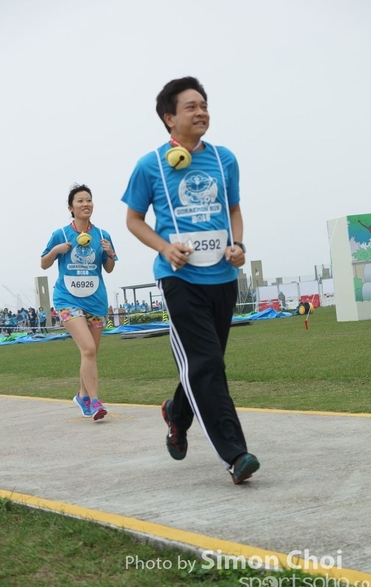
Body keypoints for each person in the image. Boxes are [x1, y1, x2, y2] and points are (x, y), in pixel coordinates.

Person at [122, 76, 260, 484]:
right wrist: (165, 248)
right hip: (179, 280)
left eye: (204, 105)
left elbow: (233, 209)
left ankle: (177, 413)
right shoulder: (149, 165)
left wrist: (238, 245)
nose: (201, 112)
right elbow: (133, 220)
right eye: (191, 107)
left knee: (207, 362)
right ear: (169, 118)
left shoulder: (224, 159)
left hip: (223, 278)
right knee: (206, 363)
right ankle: (235, 455)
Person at [41, 183, 117, 421]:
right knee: (88, 349)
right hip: (67, 299)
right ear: (70, 208)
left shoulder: (103, 235)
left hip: (96, 300)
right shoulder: (61, 234)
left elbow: (109, 268)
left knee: (90, 354)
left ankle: (82, 396)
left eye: (89, 200)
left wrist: (110, 253)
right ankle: (94, 402)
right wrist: (56, 250)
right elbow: (44, 263)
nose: (86, 204)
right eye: (80, 201)